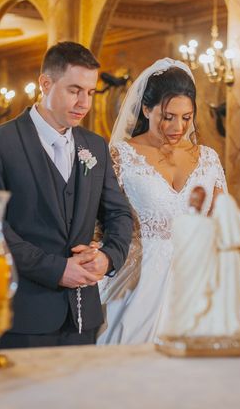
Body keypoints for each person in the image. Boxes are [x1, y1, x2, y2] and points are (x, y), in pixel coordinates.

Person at [0, 41, 133, 348]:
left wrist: (109, 257)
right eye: (74, 90)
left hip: (82, 316)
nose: (84, 102)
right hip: (23, 316)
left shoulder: (95, 147)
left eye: (90, 92)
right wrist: (56, 269)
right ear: (45, 83)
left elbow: (119, 214)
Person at [97, 58, 227, 345]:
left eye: (186, 117)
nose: (178, 126)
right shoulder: (120, 156)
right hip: (138, 282)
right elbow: (102, 222)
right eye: (168, 117)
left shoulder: (208, 159)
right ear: (146, 109)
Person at [157, 187, 240, 338]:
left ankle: (227, 325)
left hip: (221, 262)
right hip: (186, 263)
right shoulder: (193, 224)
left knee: (228, 295)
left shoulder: (209, 226)